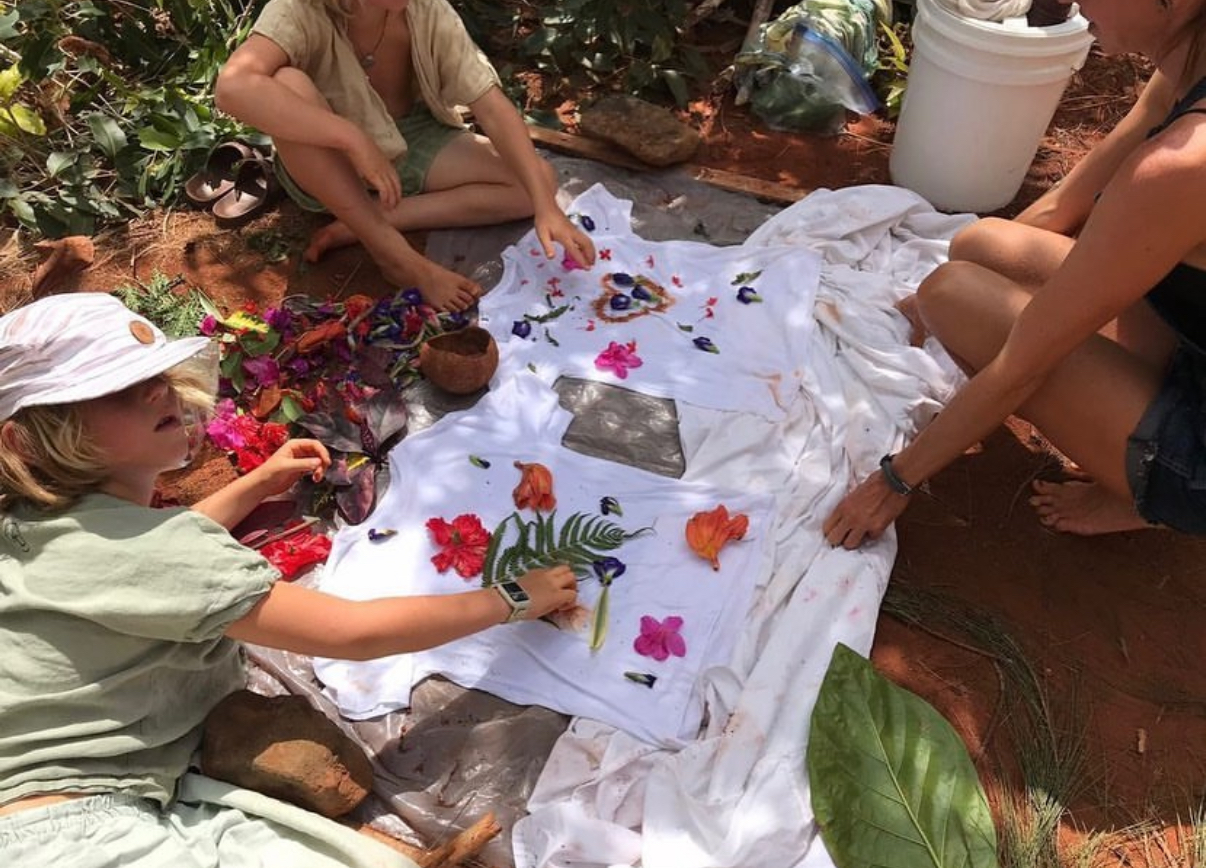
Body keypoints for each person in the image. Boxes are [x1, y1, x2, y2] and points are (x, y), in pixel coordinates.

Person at [0, 292, 577, 865]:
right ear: (32, 438)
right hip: (77, 839)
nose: (158, 391)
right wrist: (512, 597)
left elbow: (149, 561)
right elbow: (353, 632)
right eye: (115, 389)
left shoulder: (41, 527)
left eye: (155, 375)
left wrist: (256, 484)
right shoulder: (155, 554)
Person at [824, 0, 1206, 547]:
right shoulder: (1186, 67)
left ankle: (1148, 497)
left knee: (953, 297)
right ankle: (1131, 438)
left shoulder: (1182, 166)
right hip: (1190, 349)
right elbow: (1059, 209)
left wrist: (895, 481)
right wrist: (937, 289)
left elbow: (1025, 363)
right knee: (978, 245)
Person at [214, 0, 596, 313]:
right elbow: (233, 88)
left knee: (537, 181)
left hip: (409, 138)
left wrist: (547, 208)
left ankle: (362, 221)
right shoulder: (300, 8)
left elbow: (491, 106)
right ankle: (394, 255)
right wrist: (351, 138)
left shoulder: (427, 10)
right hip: (325, 160)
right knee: (286, 82)